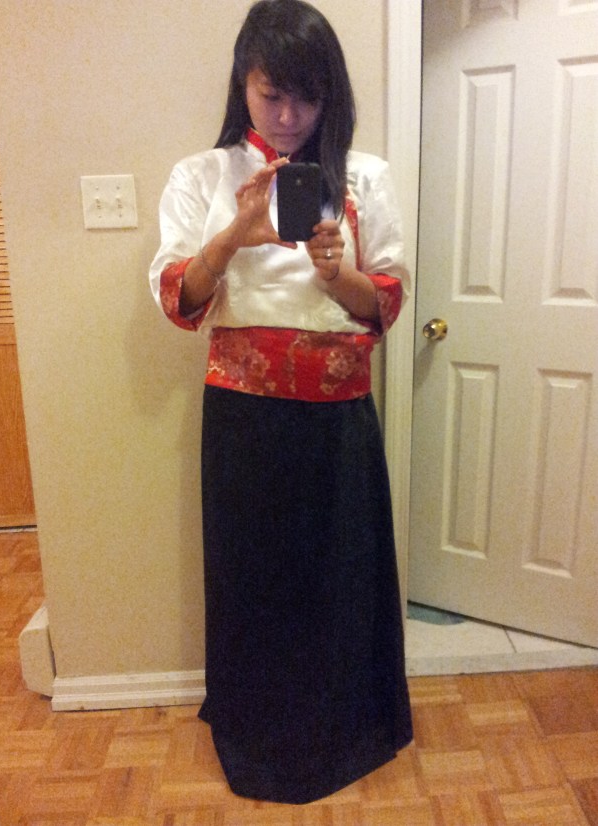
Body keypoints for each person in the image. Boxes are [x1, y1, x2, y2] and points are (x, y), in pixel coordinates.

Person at [149, 0, 413, 805]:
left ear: (331, 96)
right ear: (244, 83)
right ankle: (259, 736)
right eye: (272, 95)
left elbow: (386, 301)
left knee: (339, 578)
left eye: (308, 97)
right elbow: (177, 298)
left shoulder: (366, 176)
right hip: (244, 418)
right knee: (253, 581)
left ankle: (347, 729)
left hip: (338, 418)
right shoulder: (202, 175)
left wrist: (336, 275)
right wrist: (235, 235)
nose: (290, 117)